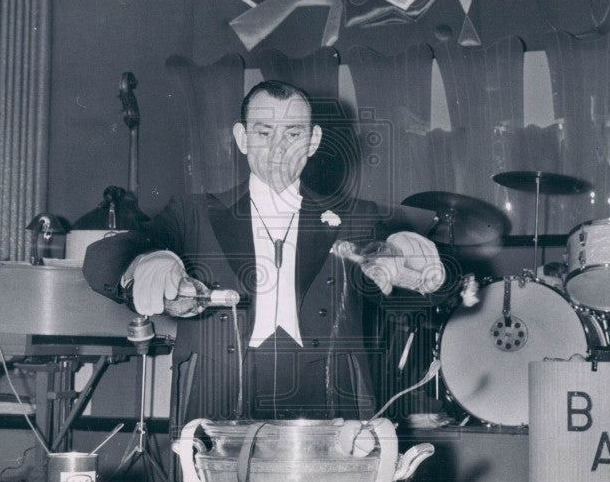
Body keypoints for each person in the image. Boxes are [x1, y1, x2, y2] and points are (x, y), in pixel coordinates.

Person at [83, 80, 444, 422]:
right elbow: (101, 259)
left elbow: (426, 286)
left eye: (293, 133)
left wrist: (411, 259)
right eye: (264, 132)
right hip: (216, 400)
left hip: (332, 402)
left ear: (314, 140)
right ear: (242, 138)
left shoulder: (357, 218)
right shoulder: (194, 213)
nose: (279, 149)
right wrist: (145, 261)